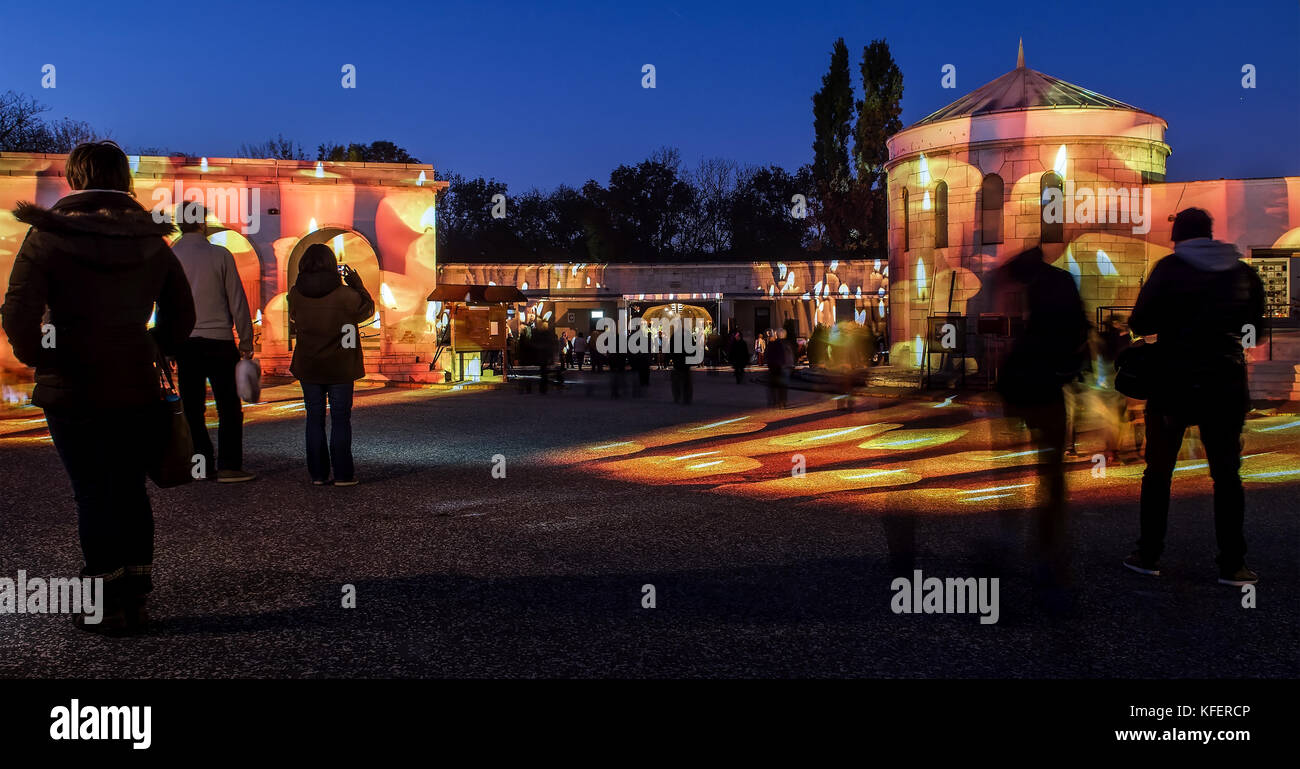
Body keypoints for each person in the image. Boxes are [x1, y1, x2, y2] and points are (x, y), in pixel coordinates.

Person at [1, 140, 196, 633]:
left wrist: (45, 355)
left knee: (92, 491)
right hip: (133, 379)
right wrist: (153, 345)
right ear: (125, 183)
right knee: (130, 488)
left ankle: (104, 602)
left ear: (75, 179)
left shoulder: (48, 235)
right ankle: (136, 593)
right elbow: (182, 314)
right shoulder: (152, 240)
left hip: (72, 385)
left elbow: (19, 312)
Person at [1124, 208, 1265, 586]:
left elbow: (1141, 323)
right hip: (1226, 384)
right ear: (1210, 233)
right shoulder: (1242, 272)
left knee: (1158, 472)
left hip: (1173, 383)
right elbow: (1256, 331)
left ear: (1179, 237)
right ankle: (1233, 565)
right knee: (1227, 476)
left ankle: (1149, 555)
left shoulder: (1169, 269)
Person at [171, 205, 257, 483]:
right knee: (229, 407)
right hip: (220, 341)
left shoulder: (171, 257)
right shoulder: (220, 255)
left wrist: (167, 344)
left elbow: (164, 303)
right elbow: (237, 300)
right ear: (203, 224)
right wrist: (245, 339)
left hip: (185, 343)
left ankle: (201, 465)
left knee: (193, 409)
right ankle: (230, 466)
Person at [288, 244, 375, 486]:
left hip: (309, 365)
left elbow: (295, 317)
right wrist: (356, 283)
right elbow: (367, 309)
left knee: (313, 418)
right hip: (341, 366)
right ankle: (343, 475)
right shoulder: (346, 295)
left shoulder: (295, 293)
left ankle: (318, 474)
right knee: (340, 419)